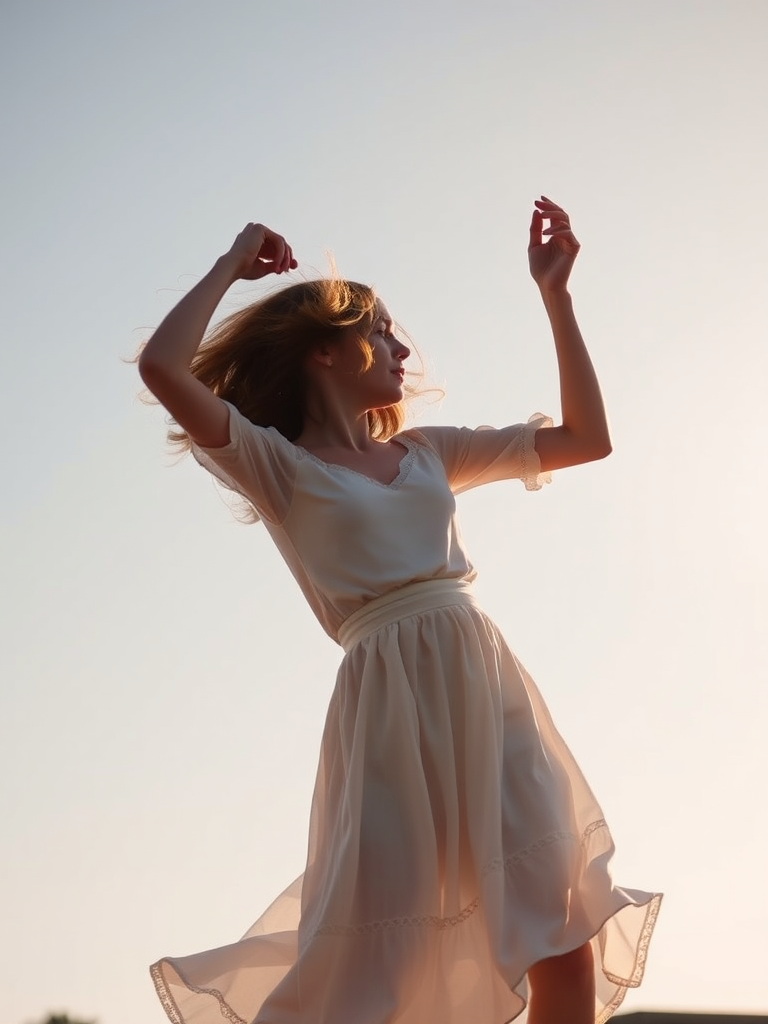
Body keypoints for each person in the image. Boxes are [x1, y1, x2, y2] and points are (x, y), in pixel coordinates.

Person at [140, 198, 661, 1024]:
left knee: (563, 931)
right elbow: (164, 370)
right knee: (382, 957)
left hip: (484, 684)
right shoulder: (275, 467)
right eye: (379, 331)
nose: (401, 347)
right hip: (387, 706)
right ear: (323, 349)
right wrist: (231, 262)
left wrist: (556, 298)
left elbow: (586, 439)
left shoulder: (426, 454)